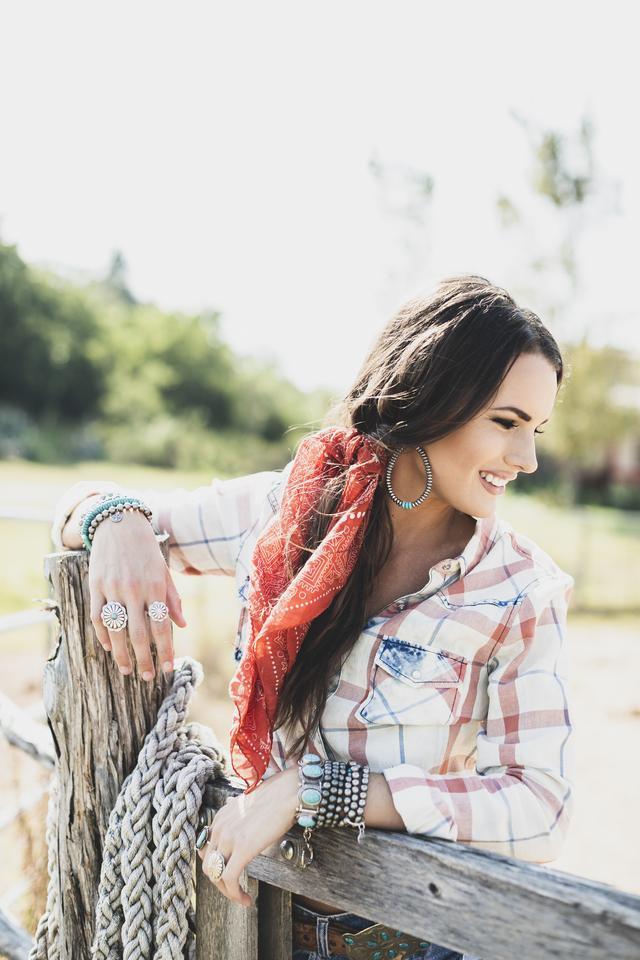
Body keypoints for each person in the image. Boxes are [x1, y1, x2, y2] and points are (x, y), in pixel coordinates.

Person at [51, 275, 575, 960]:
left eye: (534, 429)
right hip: (242, 924)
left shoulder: (518, 591)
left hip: (403, 940)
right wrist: (112, 520)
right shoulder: (287, 511)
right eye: (506, 423)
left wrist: (316, 791)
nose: (527, 458)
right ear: (434, 398)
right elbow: (101, 509)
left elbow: (540, 809)